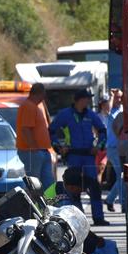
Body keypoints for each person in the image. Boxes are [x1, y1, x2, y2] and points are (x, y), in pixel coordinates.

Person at [49, 89, 109, 226]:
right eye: (87, 98)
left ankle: (98, 218)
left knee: (94, 187)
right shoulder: (65, 114)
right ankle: (77, 220)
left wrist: (99, 146)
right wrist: (59, 148)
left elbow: (103, 131)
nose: (88, 101)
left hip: (88, 156)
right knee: (74, 188)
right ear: (79, 99)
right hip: (73, 156)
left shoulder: (91, 115)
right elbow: (51, 131)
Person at [16, 83, 54, 190]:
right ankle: (29, 206)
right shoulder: (28, 106)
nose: (44, 97)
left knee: (48, 184)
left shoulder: (33, 106)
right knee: (33, 184)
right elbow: (25, 129)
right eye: (43, 94)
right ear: (40, 93)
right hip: (32, 152)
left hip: (41, 151)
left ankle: (49, 205)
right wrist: (34, 148)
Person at [104, 89, 125, 212]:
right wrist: (111, 97)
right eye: (116, 97)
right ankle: (122, 203)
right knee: (121, 176)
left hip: (121, 148)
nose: (119, 100)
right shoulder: (111, 110)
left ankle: (110, 199)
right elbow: (107, 110)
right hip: (113, 148)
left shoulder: (122, 110)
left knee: (121, 177)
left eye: (120, 97)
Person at [95, 93, 111, 185]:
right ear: (101, 105)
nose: (107, 105)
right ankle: (98, 190)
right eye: (105, 104)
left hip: (112, 146)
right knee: (100, 169)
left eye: (108, 103)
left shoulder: (111, 116)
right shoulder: (97, 117)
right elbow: (96, 132)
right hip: (103, 147)